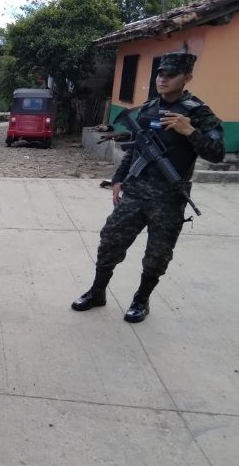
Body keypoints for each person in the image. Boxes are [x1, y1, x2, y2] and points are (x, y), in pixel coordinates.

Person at [71, 52, 225, 323]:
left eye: (170, 75)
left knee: (157, 256)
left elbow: (217, 154)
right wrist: (118, 179)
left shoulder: (199, 114)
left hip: (169, 199)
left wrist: (190, 131)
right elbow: (135, 149)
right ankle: (97, 292)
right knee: (110, 241)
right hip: (136, 192)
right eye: (160, 74)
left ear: (187, 78)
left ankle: (141, 300)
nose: (163, 80)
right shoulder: (149, 109)